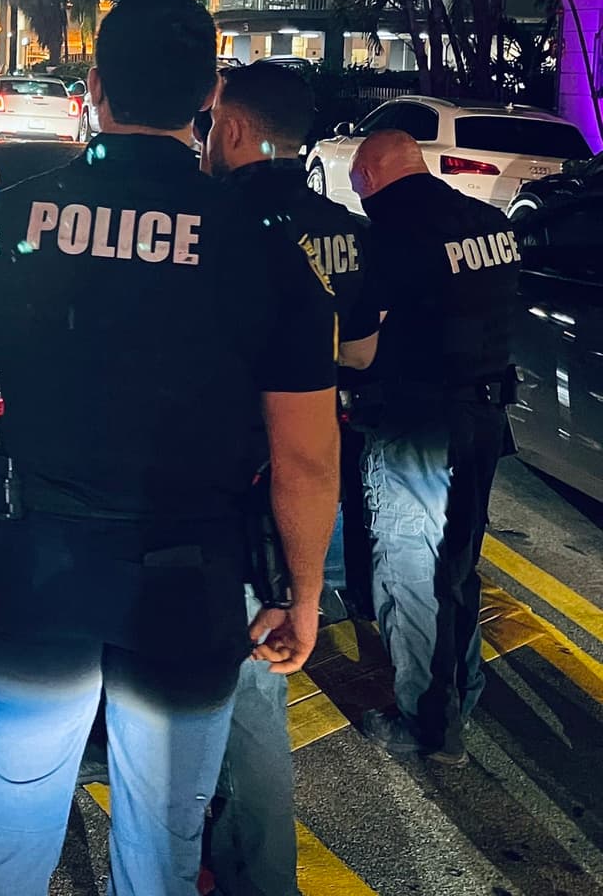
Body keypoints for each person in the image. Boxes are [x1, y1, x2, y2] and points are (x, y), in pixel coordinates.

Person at [0, 0, 340, 896]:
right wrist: (301, 597)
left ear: (96, 87)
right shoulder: (261, 248)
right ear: (207, 98)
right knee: (164, 838)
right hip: (189, 576)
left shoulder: (14, 223)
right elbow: (305, 456)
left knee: (16, 819)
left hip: (43, 559)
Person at [201, 61, 379, 896]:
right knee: (256, 691)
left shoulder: (212, 222)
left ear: (233, 129)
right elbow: (361, 353)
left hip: (212, 479)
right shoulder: (339, 227)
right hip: (300, 483)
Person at [348, 129, 521, 765]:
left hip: (419, 425)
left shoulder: (390, 237)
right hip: (484, 418)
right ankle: (462, 692)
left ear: (367, 174)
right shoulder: (487, 220)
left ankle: (428, 722)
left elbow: (361, 347)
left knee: (411, 572)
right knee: (455, 565)